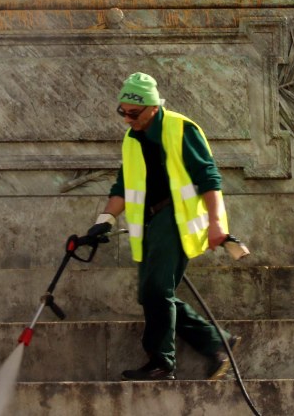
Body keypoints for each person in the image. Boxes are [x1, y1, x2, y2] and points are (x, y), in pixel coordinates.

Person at [85, 72, 239, 380]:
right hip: (149, 222)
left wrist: (216, 223)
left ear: (153, 107)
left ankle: (161, 361)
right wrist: (103, 221)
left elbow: (209, 177)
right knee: (151, 294)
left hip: (176, 217)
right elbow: (123, 185)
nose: (127, 119)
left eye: (133, 113)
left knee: (157, 290)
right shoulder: (131, 139)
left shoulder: (181, 129)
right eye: (123, 112)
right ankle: (215, 341)